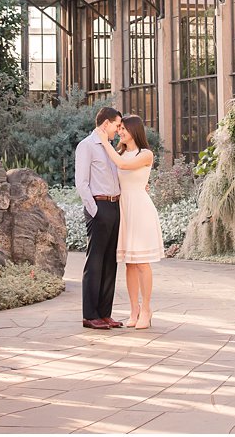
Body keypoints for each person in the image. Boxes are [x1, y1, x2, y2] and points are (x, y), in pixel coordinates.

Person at [100, 114, 164, 329]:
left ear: (134, 130)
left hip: (140, 210)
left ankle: (146, 309)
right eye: (119, 129)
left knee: (142, 262)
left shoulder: (145, 154)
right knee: (129, 263)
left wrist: (104, 142)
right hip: (123, 209)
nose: (120, 132)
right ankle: (133, 309)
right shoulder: (120, 152)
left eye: (124, 129)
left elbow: (124, 166)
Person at [75, 106, 125, 330]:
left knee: (109, 262)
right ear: (106, 124)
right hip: (100, 207)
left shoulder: (110, 148)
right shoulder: (86, 146)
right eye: (116, 125)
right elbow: (81, 183)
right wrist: (95, 210)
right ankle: (90, 315)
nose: (118, 129)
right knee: (94, 262)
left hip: (115, 207)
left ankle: (105, 314)